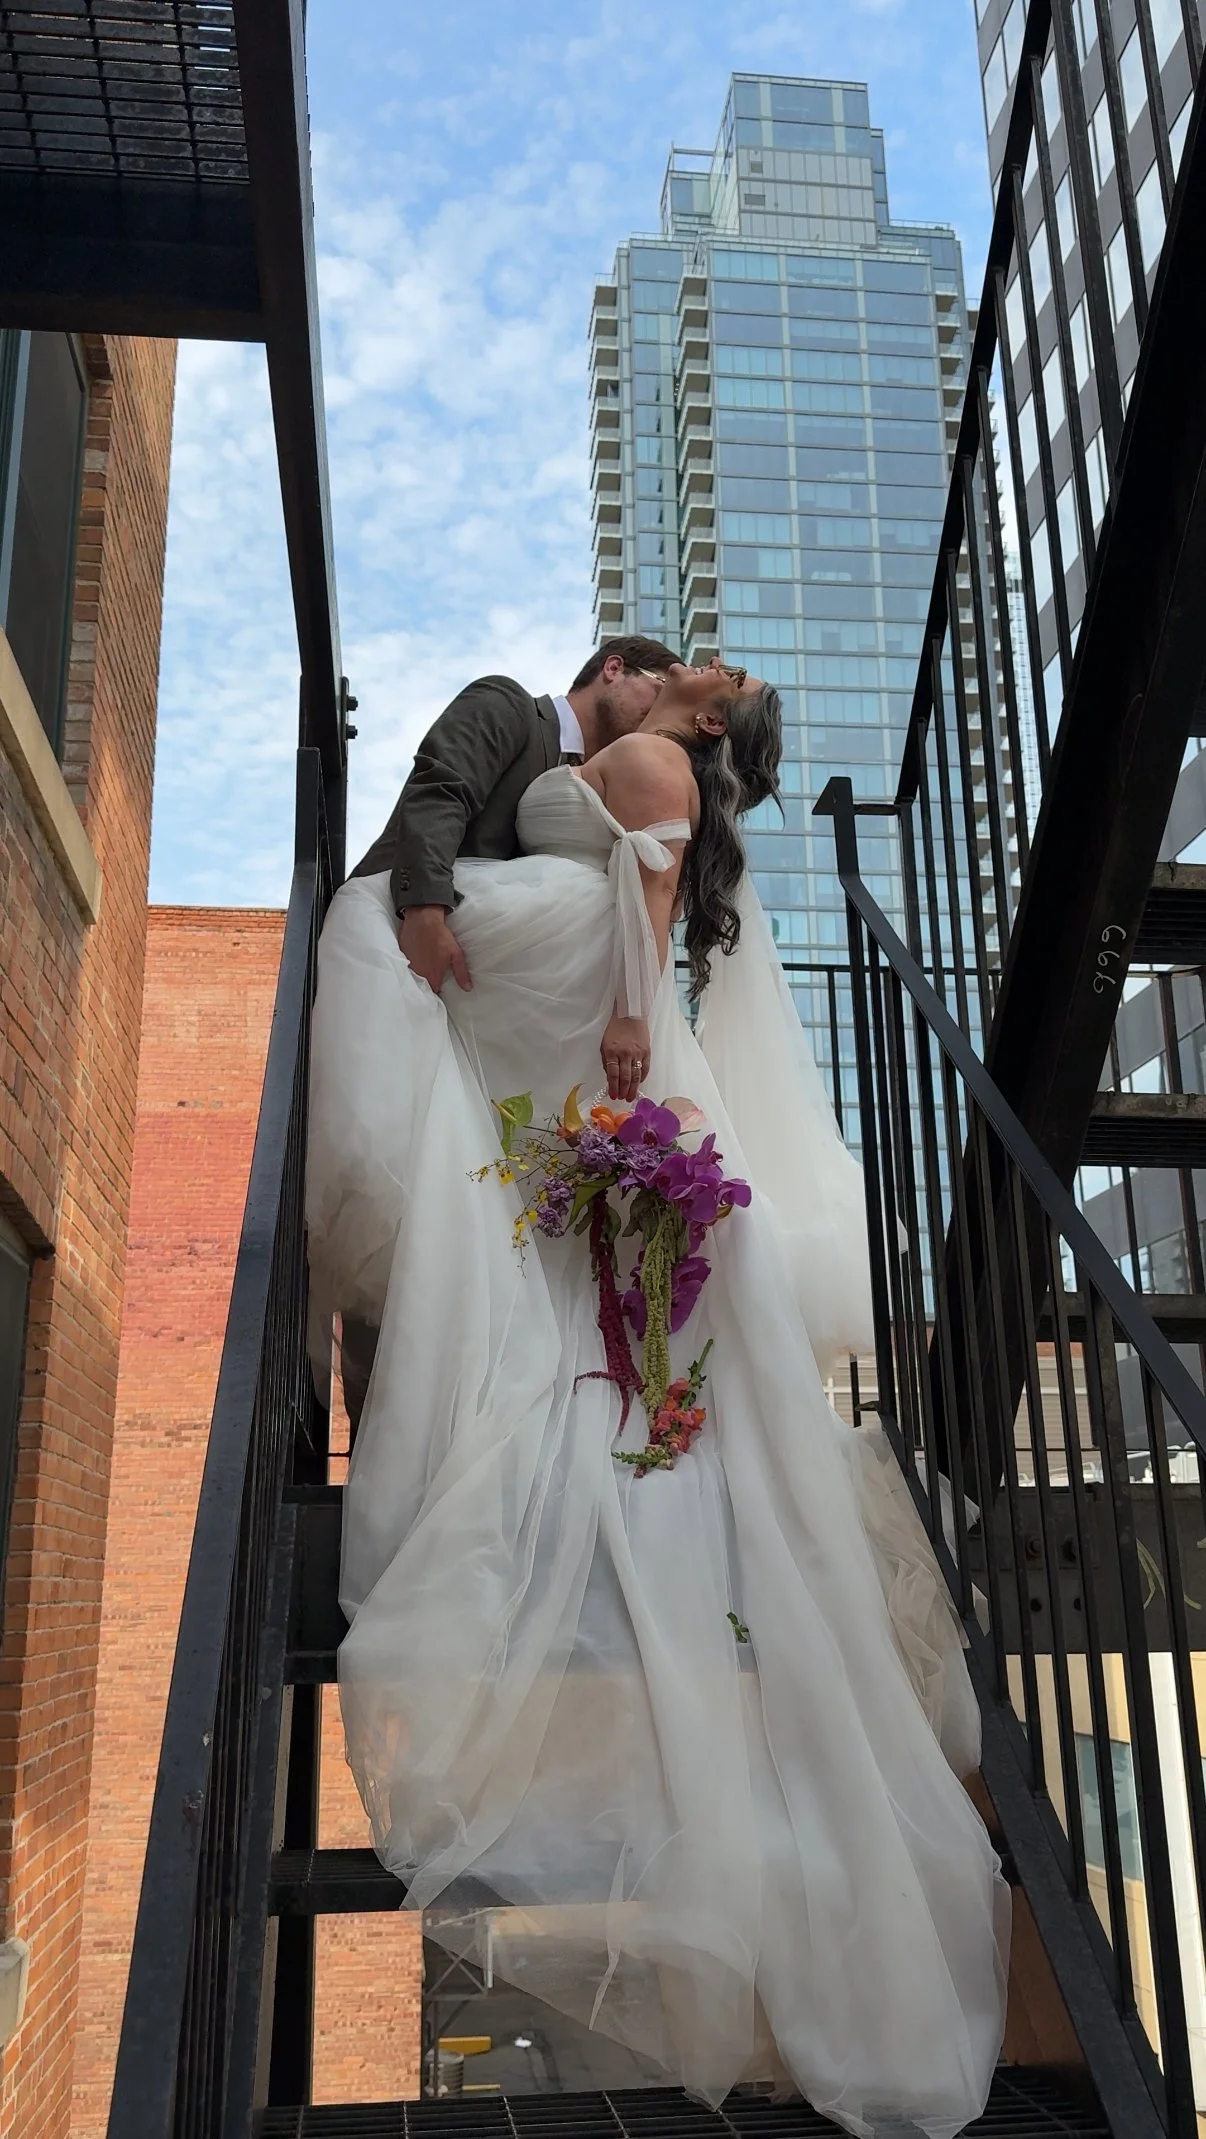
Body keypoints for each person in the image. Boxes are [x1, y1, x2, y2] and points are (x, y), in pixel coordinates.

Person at [305, 656, 1010, 2139]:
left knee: (390, 958)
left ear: (699, 720)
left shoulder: (658, 767)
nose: (696, 658)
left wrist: (626, 1027)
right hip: (562, 1008)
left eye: (713, 675)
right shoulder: (621, 754)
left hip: (589, 1008)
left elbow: (638, 894)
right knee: (578, 1300)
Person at [332, 636, 679, 1426]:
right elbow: (439, 789)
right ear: (613, 669)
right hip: (406, 957)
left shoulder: (601, 782)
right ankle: (379, 1419)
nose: (660, 705)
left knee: (467, 1221)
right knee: (390, 1196)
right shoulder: (506, 704)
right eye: (654, 683)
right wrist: (423, 910)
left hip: (487, 1022)